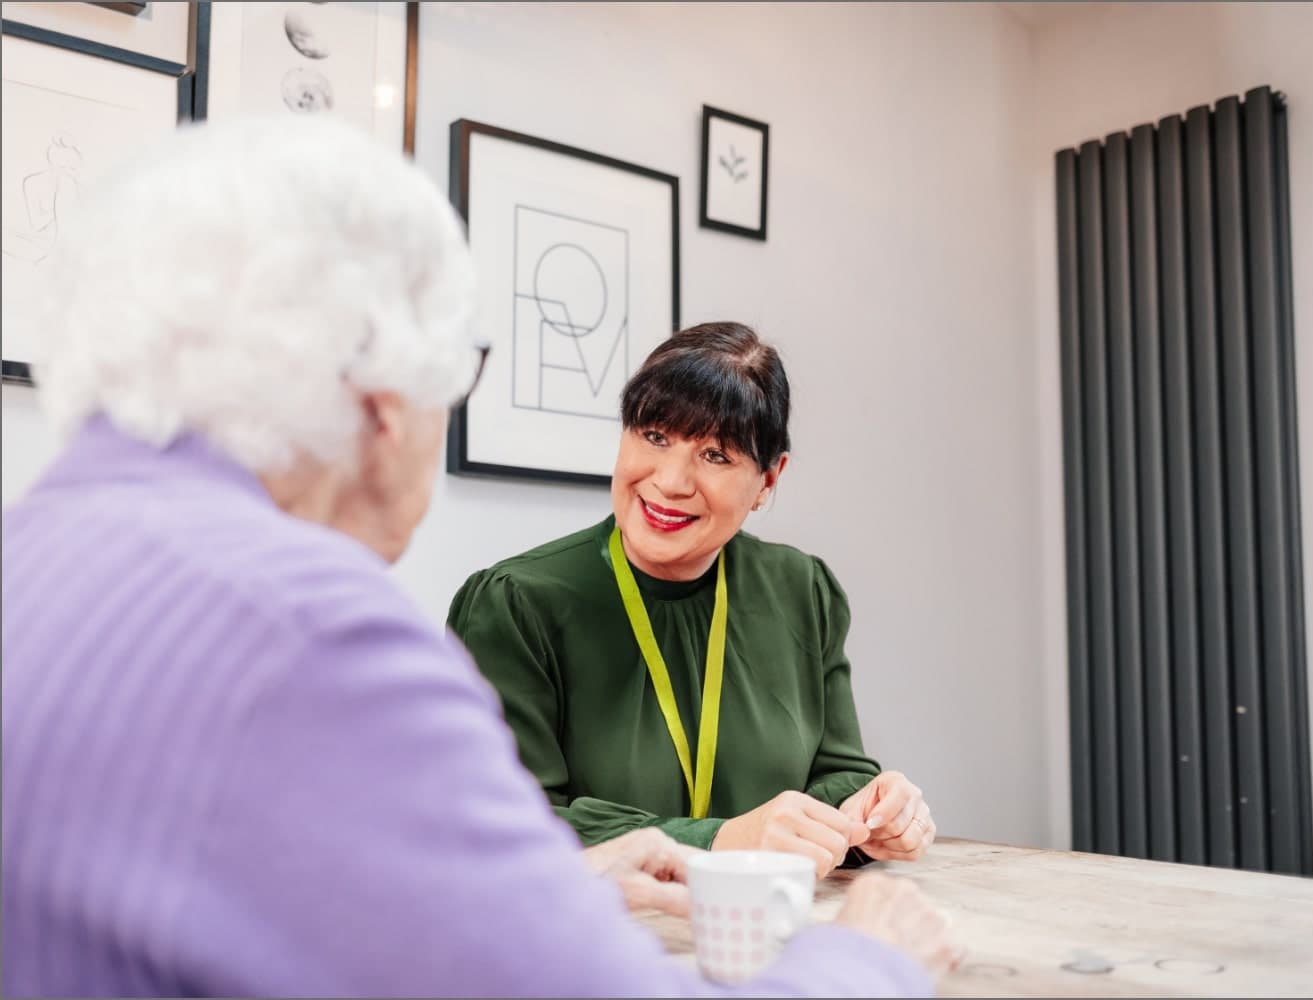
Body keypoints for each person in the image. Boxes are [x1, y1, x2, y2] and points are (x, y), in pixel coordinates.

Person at [1, 115, 959, 998]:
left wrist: (574, 878)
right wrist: (867, 961)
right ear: (384, 404)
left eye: (714, 455)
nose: (672, 479)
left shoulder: (33, 553)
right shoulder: (315, 632)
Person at [448, 322, 937, 880]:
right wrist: (719, 840)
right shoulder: (514, 605)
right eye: (654, 436)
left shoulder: (803, 590)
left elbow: (840, 774)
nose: (672, 481)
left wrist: (874, 814)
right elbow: (507, 822)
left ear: (769, 480)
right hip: (590, 946)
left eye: (716, 455)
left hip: (772, 934)